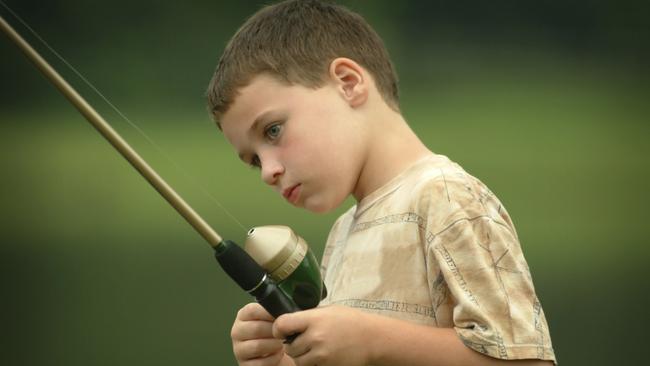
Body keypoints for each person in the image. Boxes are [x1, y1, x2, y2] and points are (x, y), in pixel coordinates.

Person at [205, 1, 556, 365]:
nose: (268, 171)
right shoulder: (343, 233)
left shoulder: (446, 196)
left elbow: (528, 360)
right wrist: (281, 360)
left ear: (348, 83)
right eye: (255, 161)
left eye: (273, 130)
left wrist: (370, 339)